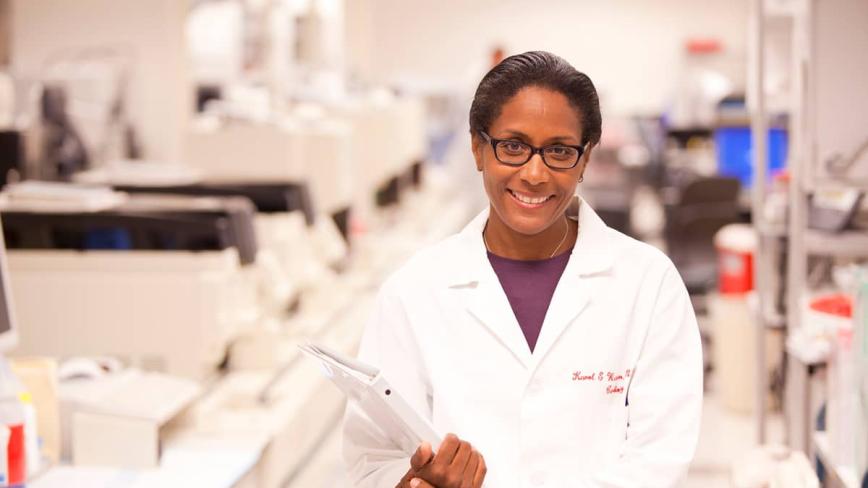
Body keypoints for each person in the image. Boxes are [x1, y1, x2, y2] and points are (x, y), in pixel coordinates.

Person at [343, 51, 703, 488]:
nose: (535, 173)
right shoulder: (414, 291)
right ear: (478, 148)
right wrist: (414, 482)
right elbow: (371, 462)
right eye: (513, 146)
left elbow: (659, 460)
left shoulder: (648, 284)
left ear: (585, 159)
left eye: (559, 150)